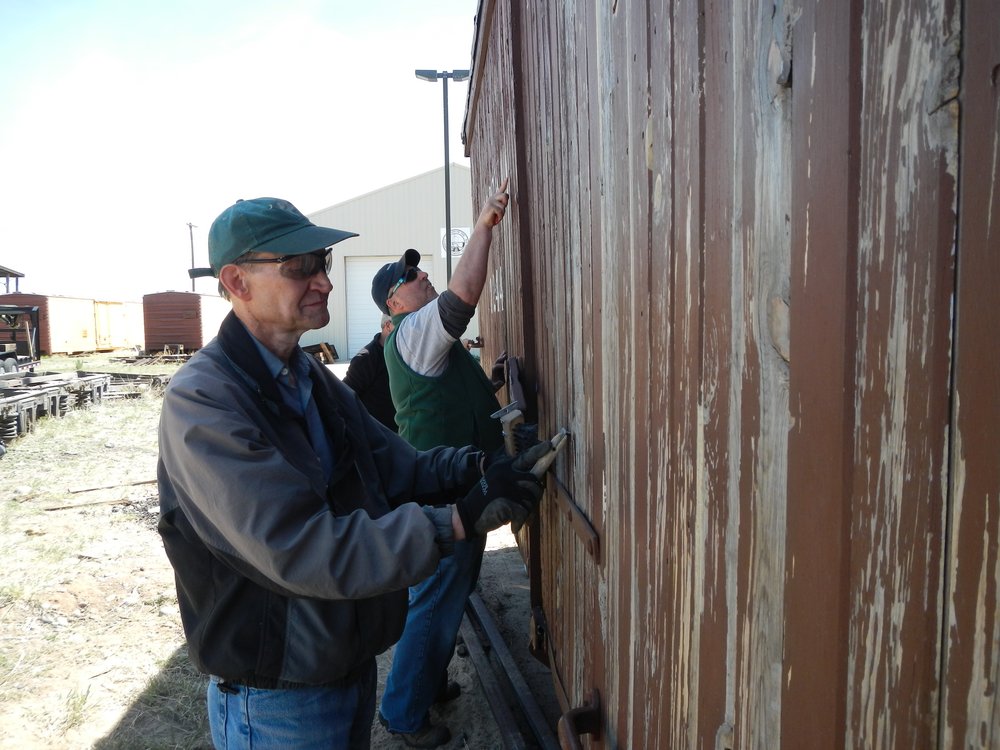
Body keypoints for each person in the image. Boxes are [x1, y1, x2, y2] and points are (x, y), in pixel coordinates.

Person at [157, 196, 547, 750]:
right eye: (299, 268)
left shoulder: (310, 380)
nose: (323, 282)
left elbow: (398, 467)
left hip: (343, 663)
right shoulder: (205, 401)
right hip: (278, 699)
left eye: (322, 263)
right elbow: (300, 546)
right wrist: (458, 520)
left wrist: (478, 465)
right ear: (236, 281)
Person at [371, 180, 514, 747]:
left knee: (449, 591)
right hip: (441, 489)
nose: (420, 277)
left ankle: (426, 688)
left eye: (417, 271)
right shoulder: (413, 333)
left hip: (453, 478)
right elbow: (462, 297)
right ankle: (404, 713)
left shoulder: (423, 340)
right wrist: (483, 227)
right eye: (408, 280)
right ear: (394, 305)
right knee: (434, 598)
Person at [342, 314, 397, 431]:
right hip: (378, 434)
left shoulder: (399, 352)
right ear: (388, 325)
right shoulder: (366, 358)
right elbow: (345, 396)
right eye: (402, 322)